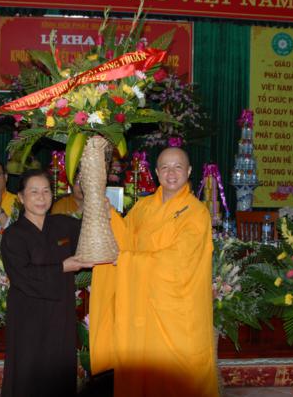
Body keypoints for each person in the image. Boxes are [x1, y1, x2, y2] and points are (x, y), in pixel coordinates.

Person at [89, 147, 218, 397]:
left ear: (189, 171)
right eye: (165, 167)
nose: (171, 173)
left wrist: (127, 261)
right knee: (143, 370)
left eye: (178, 167)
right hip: (143, 307)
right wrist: (109, 215)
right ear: (157, 173)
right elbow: (125, 238)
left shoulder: (196, 212)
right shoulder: (144, 206)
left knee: (179, 376)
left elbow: (180, 259)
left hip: (177, 314)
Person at [0, 169, 94, 397]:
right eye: (34, 192)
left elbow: (93, 239)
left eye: (46, 191)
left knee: (58, 367)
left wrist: (101, 209)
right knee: (28, 368)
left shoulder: (64, 225)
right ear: (21, 197)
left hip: (59, 311)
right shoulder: (13, 234)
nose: (41, 197)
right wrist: (62, 267)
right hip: (28, 314)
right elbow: (22, 275)